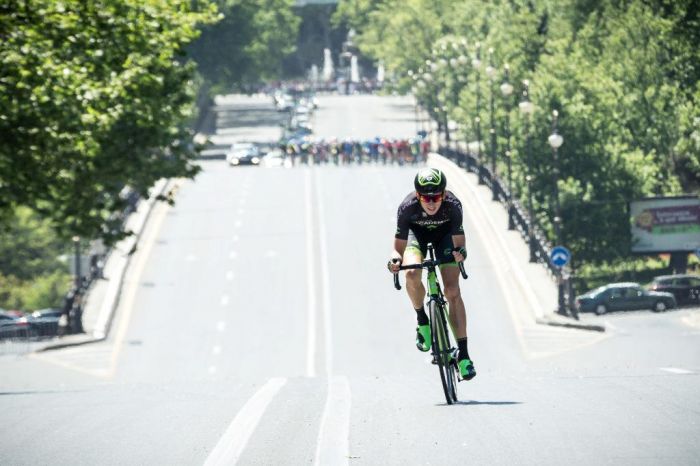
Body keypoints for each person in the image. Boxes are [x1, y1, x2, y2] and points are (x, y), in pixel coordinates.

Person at [387, 168, 476, 380]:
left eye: (436, 196)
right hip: (415, 237)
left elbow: (460, 243)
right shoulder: (407, 208)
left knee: (452, 291)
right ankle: (422, 320)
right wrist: (395, 261)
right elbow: (397, 249)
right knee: (412, 273)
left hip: (444, 237)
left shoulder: (453, 206)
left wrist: (460, 253)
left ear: (443, 194)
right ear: (417, 196)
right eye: (426, 197)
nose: (431, 202)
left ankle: (464, 356)